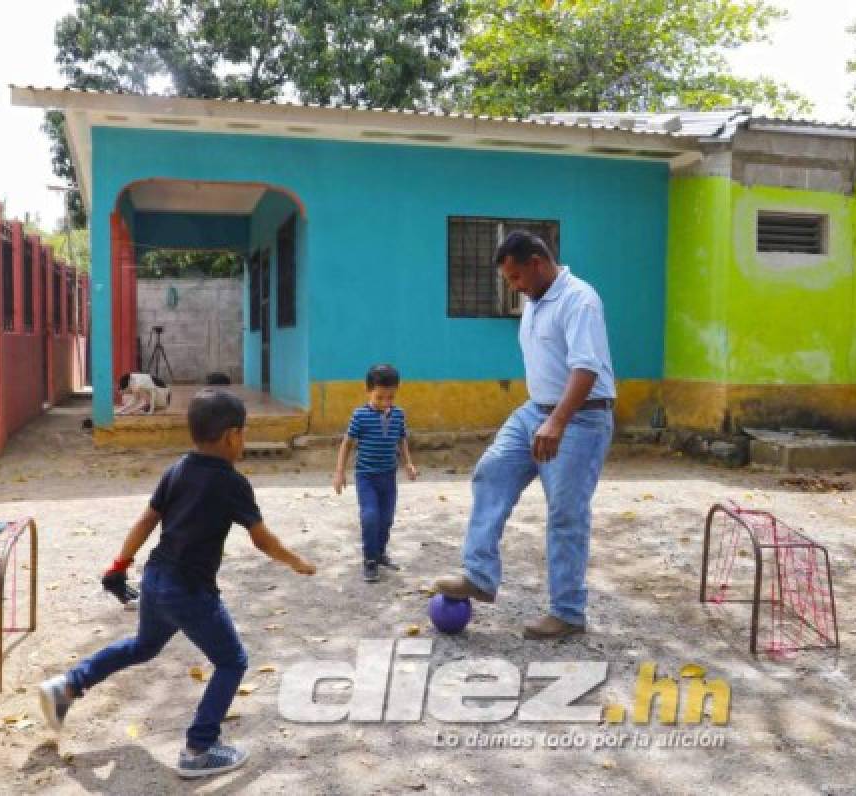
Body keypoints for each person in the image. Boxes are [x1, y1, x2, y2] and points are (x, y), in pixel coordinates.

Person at [38, 389, 316, 779]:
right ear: (232, 436)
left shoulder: (179, 468)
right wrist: (297, 562)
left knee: (143, 646)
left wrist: (119, 565)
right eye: (244, 434)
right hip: (189, 590)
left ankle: (66, 687)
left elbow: (146, 521)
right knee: (231, 661)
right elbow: (261, 538)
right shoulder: (233, 483)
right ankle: (199, 750)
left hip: (156, 578)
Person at [434, 230, 615, 640]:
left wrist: (557, 422)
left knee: (566, 514)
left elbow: (586, 369)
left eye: (516, 278)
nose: (513, 287)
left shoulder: (579, 300)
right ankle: (479, 575)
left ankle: (567, 613)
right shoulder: (534, 300)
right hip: (535, 410)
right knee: (491, 471)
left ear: (537, 262)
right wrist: (543, 415)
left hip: (581, 420)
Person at [333, 364, 418, 583]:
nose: (385, 403)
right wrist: (340, 472)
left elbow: (402, 440)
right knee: (370, 516)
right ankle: (369, 560)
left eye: (390, 397)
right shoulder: (360, 416)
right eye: (380, 397)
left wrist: (408, 464)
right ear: (368, 390)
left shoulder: (398, 414)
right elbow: (347, 443)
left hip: (388, 476)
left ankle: (380, 552)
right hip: (366, 477)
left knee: (386, 518)